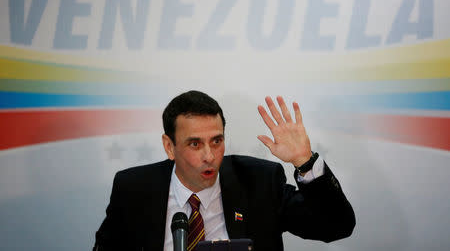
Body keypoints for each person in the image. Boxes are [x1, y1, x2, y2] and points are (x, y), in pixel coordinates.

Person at [93, 90, 355, 251]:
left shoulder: (259, 182)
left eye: (216, 141)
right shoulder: (133, 189)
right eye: (195, 144)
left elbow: (336, 227)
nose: (209, 156)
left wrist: (305, 162)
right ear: (169, 146)